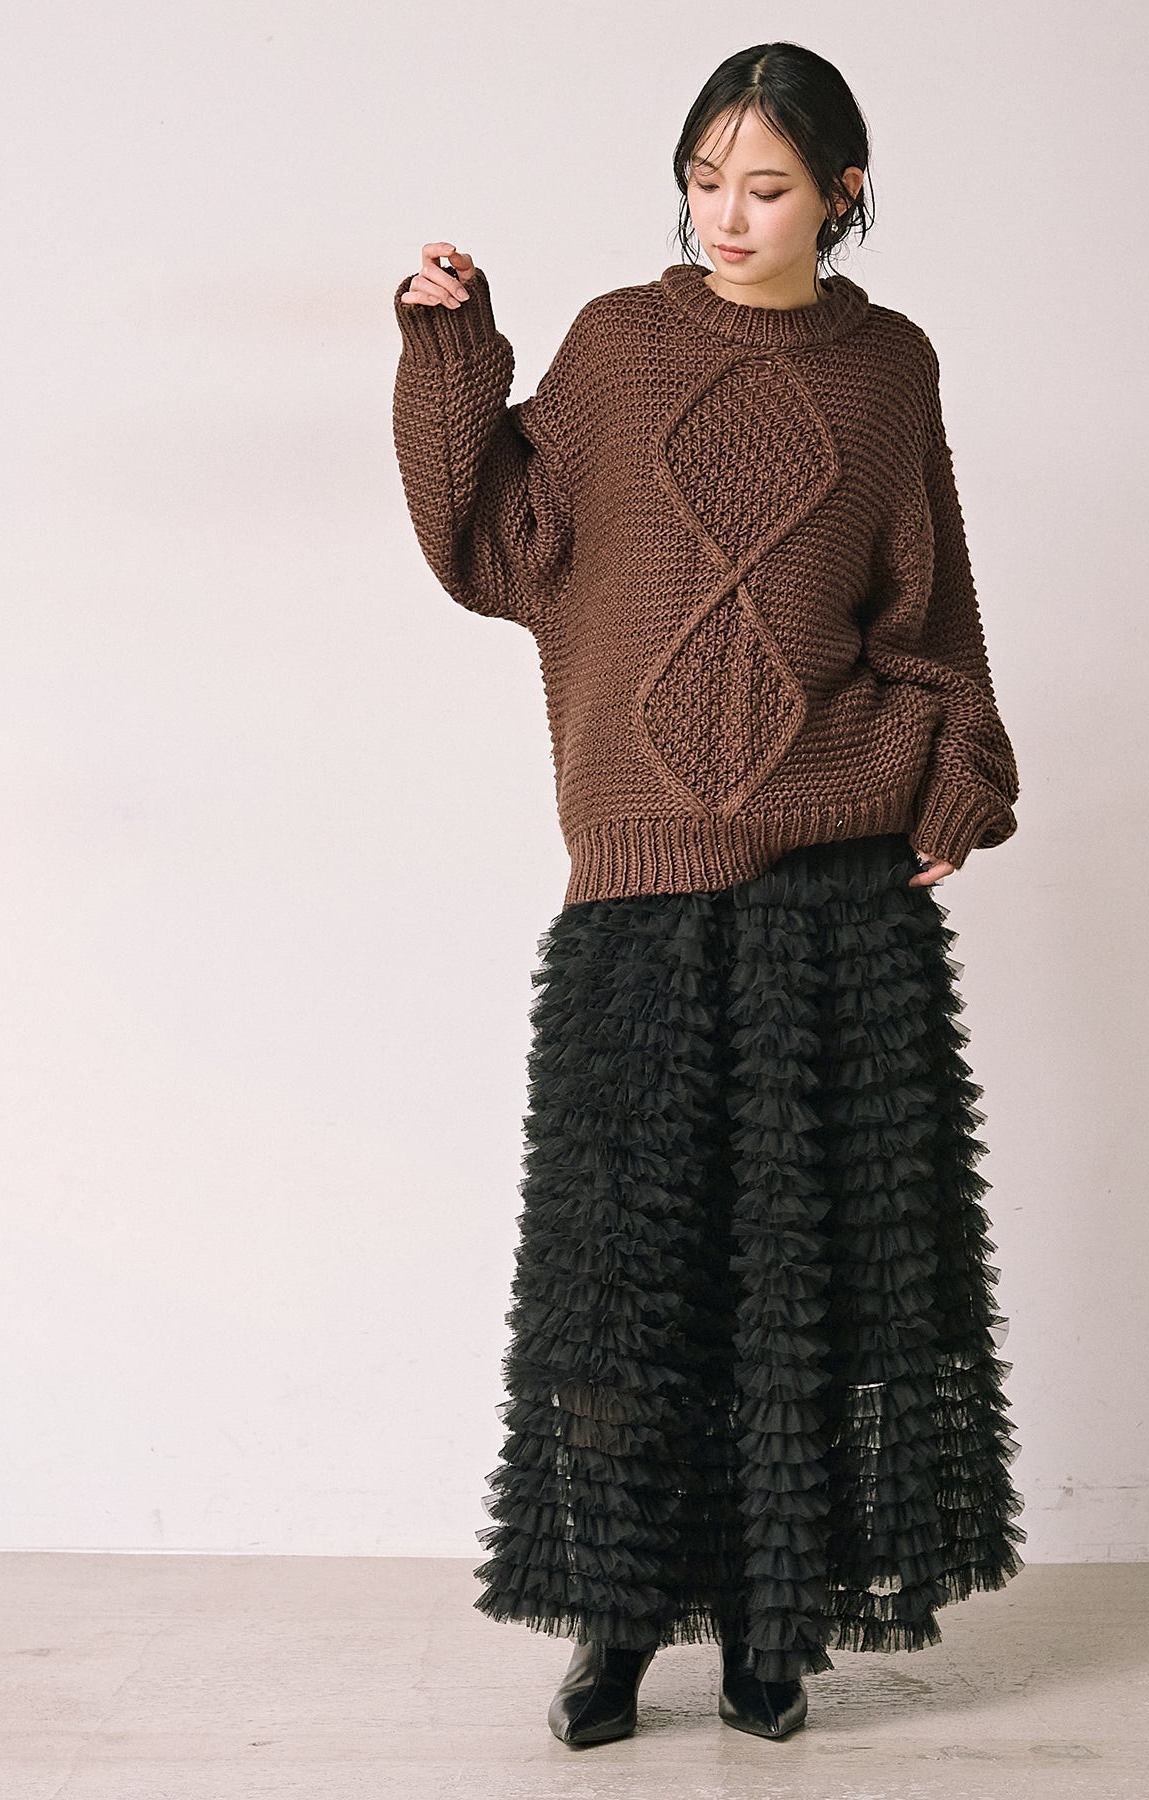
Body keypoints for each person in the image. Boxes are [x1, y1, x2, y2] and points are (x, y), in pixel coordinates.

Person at [390, 40, 1026, 1748]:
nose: (726, 217)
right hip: (640, 889)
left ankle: (771, 1629)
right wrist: (450, 351)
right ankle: (611, 1630)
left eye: (765, 187)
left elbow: (930, 614)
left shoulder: (889, 369)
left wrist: (960, 775)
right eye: (702, 181)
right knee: (621, 1286)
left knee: (802, 1287)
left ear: (843, 194)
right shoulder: (619, 345)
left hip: (836, 886)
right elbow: (493, 543)